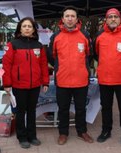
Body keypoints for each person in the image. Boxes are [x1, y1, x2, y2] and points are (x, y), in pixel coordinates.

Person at [48, 6, 94, 145]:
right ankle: (63, 133)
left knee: (81, 108)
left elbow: (89, 55)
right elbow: (51, 56)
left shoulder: (84, 35)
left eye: (72, 16)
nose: (69, 19)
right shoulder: (56, 36)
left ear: (76, 19)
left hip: (81, 80)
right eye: (67, 16)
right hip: (62, 80)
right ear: (62, 19)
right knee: (63, 109)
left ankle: (82, 131)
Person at [2, 17, 50, 149]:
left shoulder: (39, 46)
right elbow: (6, 66)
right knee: (20, 112)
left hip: (34, 85)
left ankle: (32, 136)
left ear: (34, 29)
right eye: (24, 26)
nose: (27, 28)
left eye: (30, 26)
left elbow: (43, 65)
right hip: (18, 85)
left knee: (32, 111)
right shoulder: (13, 44)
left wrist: (45, 82)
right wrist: (7, 84)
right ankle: (22, 137)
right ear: (20, 29)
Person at [93, 8, 121, 146]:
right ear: (106, 19)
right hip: (104, 79)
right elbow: (96, 54)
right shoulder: (99, 35)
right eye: (110, 17)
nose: (113, 19)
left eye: (116, 16)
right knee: (106, 106)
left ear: (120, 19)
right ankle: (106, 130)